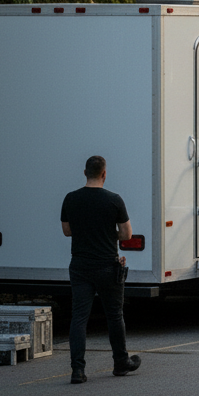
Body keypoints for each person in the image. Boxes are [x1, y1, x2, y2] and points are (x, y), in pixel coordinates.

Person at [60, 155, 139, 384]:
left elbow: (67, 231)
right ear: (104, 174)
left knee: (79, 318)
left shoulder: (70, 199)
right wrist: (107, 234)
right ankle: (120, 363)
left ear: (85, 173)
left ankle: (77, 370)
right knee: (114, 316)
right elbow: (127, 235)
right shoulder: (114, 200)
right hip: (107, 265)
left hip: (80, 266)